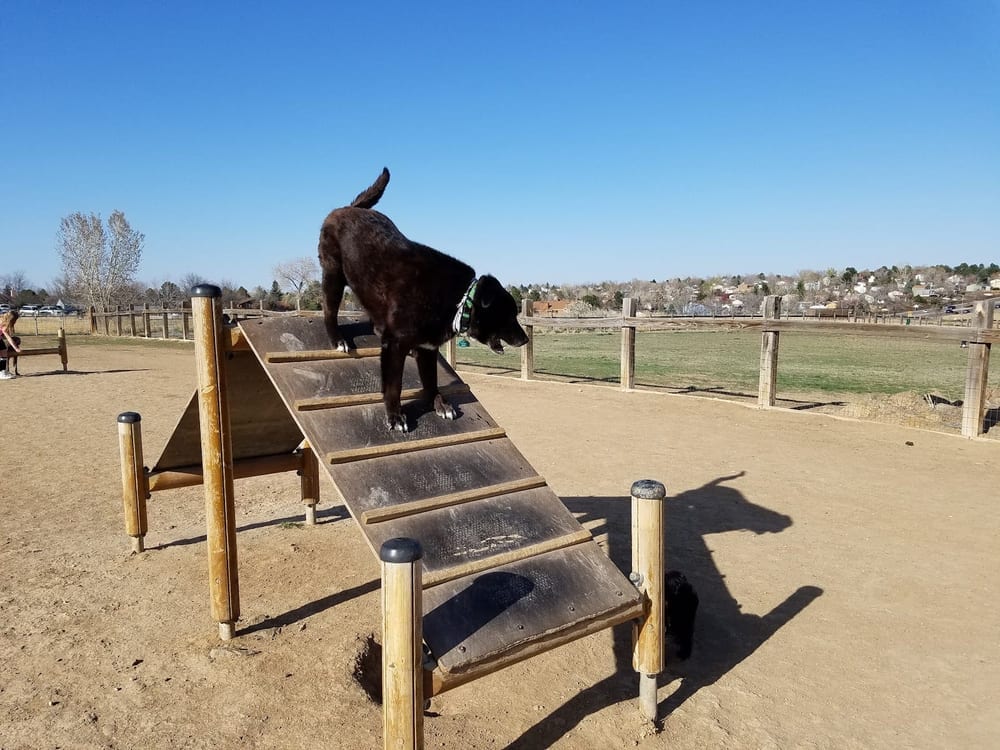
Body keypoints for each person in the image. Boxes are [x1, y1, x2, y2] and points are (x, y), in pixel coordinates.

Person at [0, 310, 21, 379]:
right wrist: (16, 348)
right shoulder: (4, 324)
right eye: (15, 320)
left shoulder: (2, 319)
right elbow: (8, 338)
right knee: (2, 353)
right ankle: (2, 372)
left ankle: (3, 372)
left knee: (4, 352)